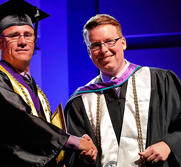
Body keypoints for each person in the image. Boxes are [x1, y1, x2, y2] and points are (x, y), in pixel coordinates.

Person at [0, 0, 97, 166]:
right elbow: (20, 124)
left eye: (28, 35)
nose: (22, 42)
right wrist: (73, 142)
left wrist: (73, 154)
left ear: (34, 41)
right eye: (14, 36)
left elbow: (40, 144)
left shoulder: (36, 90)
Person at [64, 14, 181, 167]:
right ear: (89, 52)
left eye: (109, 41)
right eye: (95, 45)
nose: (104, 50)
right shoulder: (80, 101)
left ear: (123, 43)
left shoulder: (160, 81)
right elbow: (74, 159)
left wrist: (168, 145)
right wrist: (84, 158)